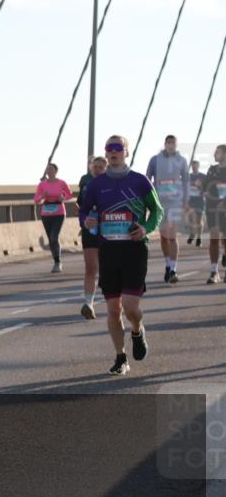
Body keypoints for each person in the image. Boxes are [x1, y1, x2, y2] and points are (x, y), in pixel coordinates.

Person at [80, 136, 163, 376]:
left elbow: (157, 210)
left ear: (127, 152)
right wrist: (87, 221)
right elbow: (84, 211)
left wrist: (145, 228)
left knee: (130, 307)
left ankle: (137, 329)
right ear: (106, 153)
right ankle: (120, 357)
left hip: (134, 250)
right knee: (113, 309)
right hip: (109, 251)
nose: (113, 152)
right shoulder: (96, 184)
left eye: (118, 148)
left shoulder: (140, 181)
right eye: (109, 148)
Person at [145, 135, 189, 283]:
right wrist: (147, 199)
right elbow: (147, 179)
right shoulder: (154, 160)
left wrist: (186, 200)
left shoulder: (182, 161)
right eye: (168, 142)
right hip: (159, 202)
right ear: (164, 144)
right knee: (164, 237)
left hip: (175, 202)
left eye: (173, 143)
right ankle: (167, 265)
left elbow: (186, 181)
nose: (170, 145)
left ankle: (173, 270)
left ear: (176, 145)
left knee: (172, 236)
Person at [77, 156, 107, 319]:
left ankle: (115, 301)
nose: (97, 169)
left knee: (107, 267)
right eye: (95, 166)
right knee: (90, 267)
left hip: (110, 229)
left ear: (106, 169)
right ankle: (88, 303)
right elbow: (81, 208)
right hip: (91, 229)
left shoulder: (112, 184)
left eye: (101, 167)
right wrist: (84, 222)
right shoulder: (86, 184)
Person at [33, 163, 73, 273]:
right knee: (51, 239)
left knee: (54, 237)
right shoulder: (42, 184)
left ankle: (58, 262)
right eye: (47, 169)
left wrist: (62, 197)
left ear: (56, 171)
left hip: (59, 212)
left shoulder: (62, 183)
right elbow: (36, 200)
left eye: (51, 169)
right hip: (46, 213)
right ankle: (56, 260)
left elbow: (70, 195)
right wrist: (42, 196)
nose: (48, 171)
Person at [203, 144, 226, 284]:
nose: (214, 155)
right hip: (212, 209)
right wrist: (202, 188)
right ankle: (214, 272)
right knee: (214, 238)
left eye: (217, 152)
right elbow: (205, 186)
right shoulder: (212, 170)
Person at [186, 160, 206, 247]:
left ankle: (199, 238)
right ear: (191, 166)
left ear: (198, 166)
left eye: (196, 166)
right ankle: (192, 233)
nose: (194, 167)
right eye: (193, 166)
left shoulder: (203, 176)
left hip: (199, 200)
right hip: (190, 200)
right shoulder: (188, 176)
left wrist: (200, 186)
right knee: (190, 220)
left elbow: (207, 188)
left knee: (198, 220)